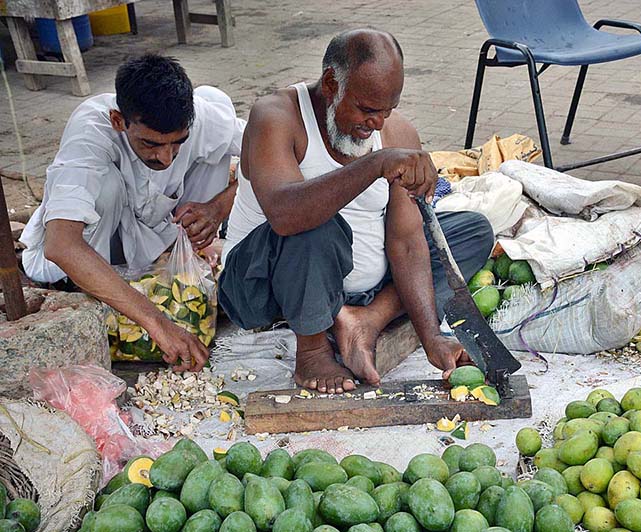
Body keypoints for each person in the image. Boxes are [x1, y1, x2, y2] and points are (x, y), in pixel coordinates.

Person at [220, 29, 495, 394]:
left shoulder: (396, 132)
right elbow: (285, 215)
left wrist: (432, 338)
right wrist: (376, 164)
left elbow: (408, 241)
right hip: (264, 288)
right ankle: (313, 347)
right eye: (367, 110)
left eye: (387, 110)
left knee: (471, 232)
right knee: (315, 221)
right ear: (332, 84)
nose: (377, 124)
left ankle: (364, 319)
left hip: (356, 288)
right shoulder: (276, 115)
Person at [20, 54, 245, 372]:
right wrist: (158, 322)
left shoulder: (198, 118)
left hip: (155, 234)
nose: (166, 157)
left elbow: (273, 149)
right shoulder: (90, 132)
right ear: (118, 120)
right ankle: (90, 289)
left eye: (177, 143)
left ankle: (173, 256)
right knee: (107, 185)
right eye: (151, 144)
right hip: (89, 253)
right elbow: (61, 245)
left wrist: (218, 207)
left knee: (217, 110)